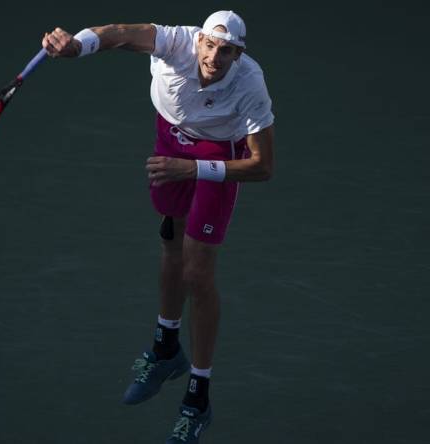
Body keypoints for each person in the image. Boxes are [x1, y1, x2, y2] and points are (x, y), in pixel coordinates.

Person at [42, 10, 274, 443]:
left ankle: (198, 397)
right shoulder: (174, 42)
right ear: (199, 40)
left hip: (217, 157)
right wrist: (76, 45)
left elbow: (262, 166)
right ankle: (166, 348)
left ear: (238, 54)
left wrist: (192, 169)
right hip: (170, 142)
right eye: (209, 45)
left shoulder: (249, 84)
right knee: (170, 243)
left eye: (226, 51)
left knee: (198, 273)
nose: (214, 56)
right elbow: (118, 34)